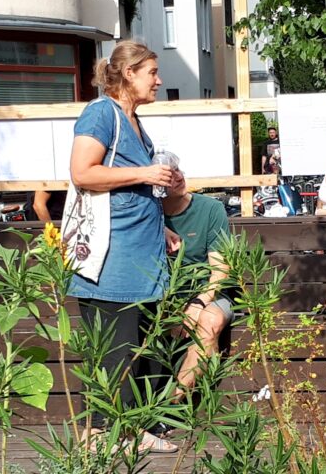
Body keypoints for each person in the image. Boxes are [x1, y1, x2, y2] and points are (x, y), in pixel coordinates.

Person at [67, 40, 179, 454]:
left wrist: (161, 227)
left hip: (139, 259)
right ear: (128, 74)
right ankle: (100, 437)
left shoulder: (134, 121)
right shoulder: (101, 113)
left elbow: (129, 188)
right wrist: (145, 172)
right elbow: (83, 173)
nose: (159, 80)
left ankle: (131, 429)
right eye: (152, 71)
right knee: (113, 352)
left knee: (134, 349)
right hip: (109, 264)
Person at [161, 165, 232, 397]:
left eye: (178, 170)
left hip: (210, 293)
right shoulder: (148, 215)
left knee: (210, 320)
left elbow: (220, 270)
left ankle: (172, 404)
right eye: (169, 176)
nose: (178, 177)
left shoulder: (210, 209)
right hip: (165, 296)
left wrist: (198, 303)